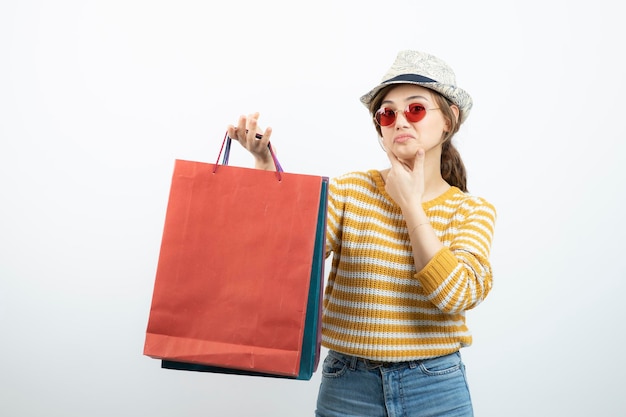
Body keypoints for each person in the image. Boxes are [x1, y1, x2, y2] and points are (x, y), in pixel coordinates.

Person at [227, 50, 496, 417]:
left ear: (449, 120)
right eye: (387, 113)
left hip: (435, 387)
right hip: (348, 386)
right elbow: (288, 256)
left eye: (415, 109)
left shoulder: (471, 210)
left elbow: (454, 295)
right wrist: (262, 164)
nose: (400, 120)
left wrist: (410, 206)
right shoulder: (351, 191)